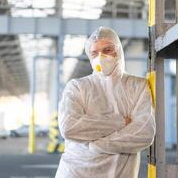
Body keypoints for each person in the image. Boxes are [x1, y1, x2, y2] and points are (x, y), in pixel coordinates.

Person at [55, 27, 156, 178]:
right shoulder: (77, 87)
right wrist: (120, 122)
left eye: (107, 50)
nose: (101, 57)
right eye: (94, 53)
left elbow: (144, 133)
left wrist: (96, 145)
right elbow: (70, 127)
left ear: (119, 52)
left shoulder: (138, 86)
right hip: (75, 172)